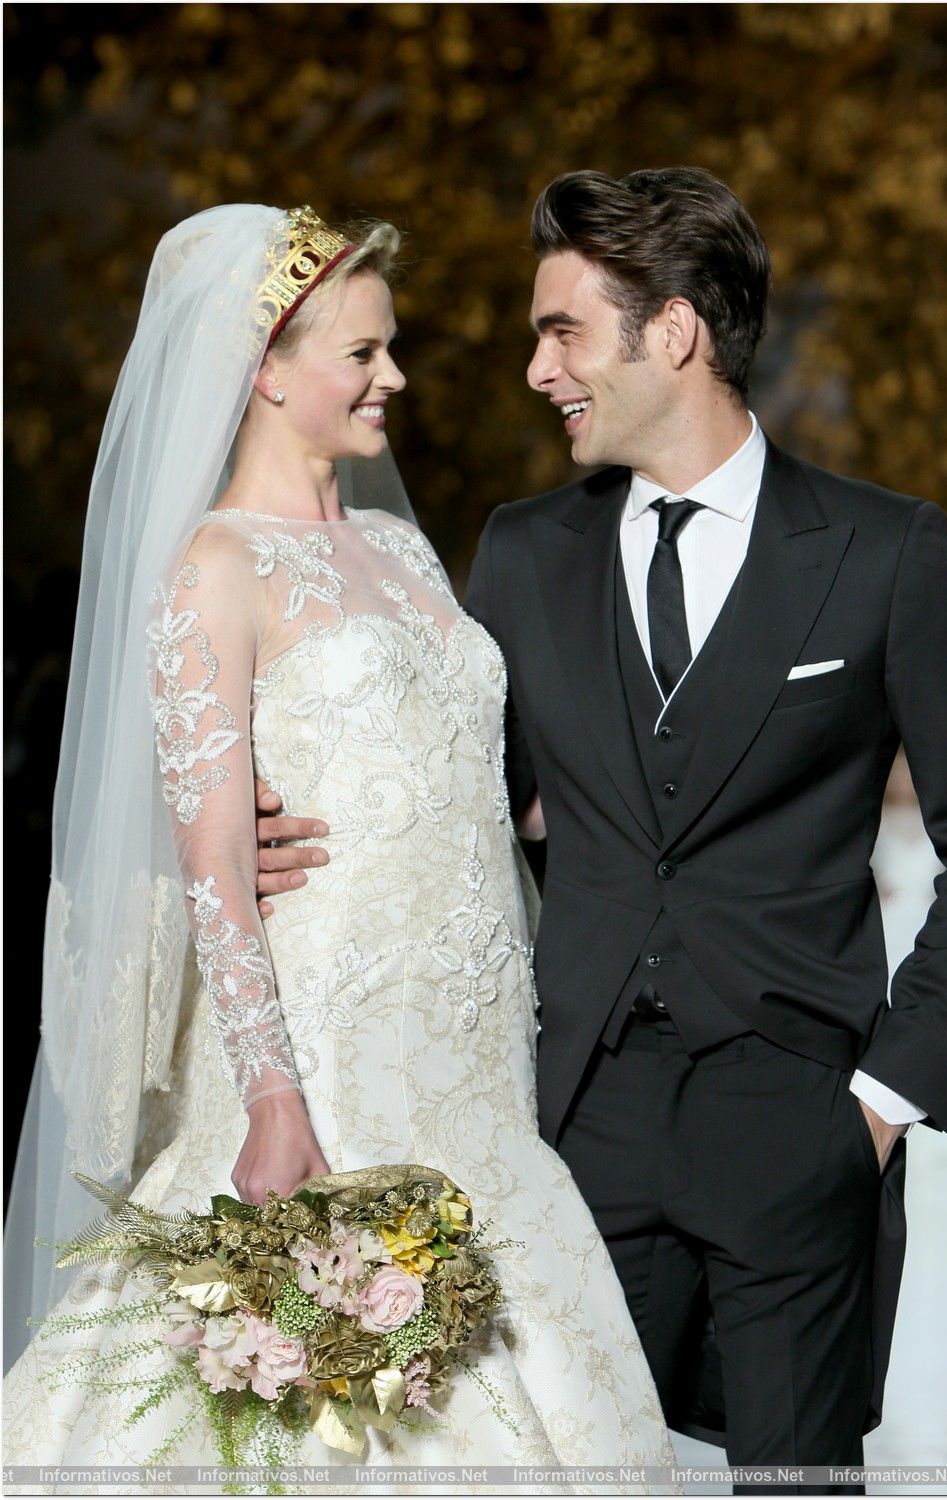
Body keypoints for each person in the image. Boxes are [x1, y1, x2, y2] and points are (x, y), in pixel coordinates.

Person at [261, 167, 947, 1477]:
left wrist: (883, 1101)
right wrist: (286, 837)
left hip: (798, 1116)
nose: (537, 369)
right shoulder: (522, 552)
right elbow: (462, 809)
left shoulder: (882, 553)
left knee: (796, 1481)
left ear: (675, 332)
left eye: (562, 332)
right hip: (569, 1125)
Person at [3, 202, 676, 1475]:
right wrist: (272, 1099)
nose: (394, 377)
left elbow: (463, 784)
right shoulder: (214, 567)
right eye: (362, 353)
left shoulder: (400, 548)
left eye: (389, 346)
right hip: (327, 1052)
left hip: (476, 1057)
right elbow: (214, 864)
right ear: (263, 370)